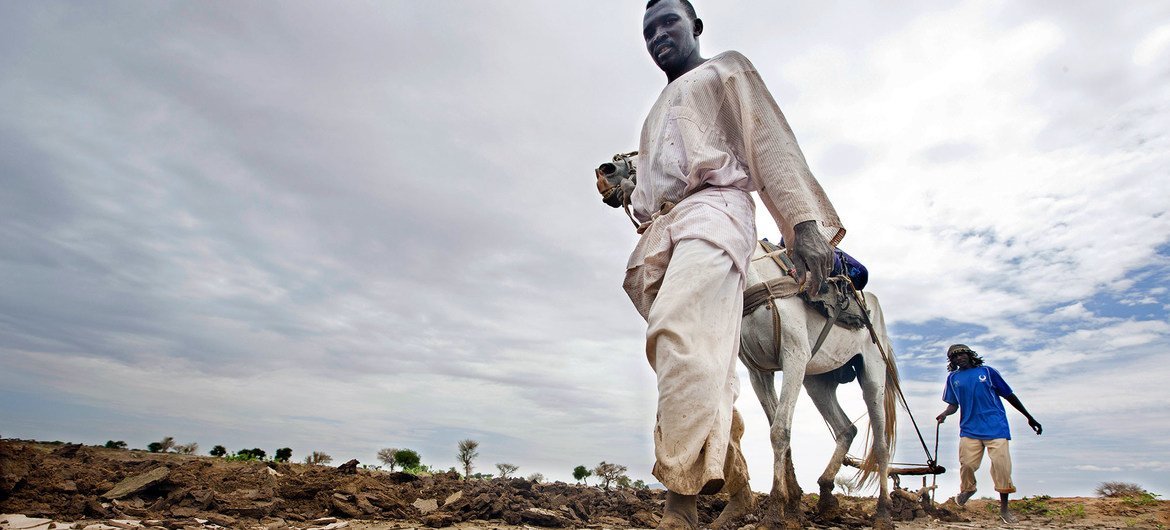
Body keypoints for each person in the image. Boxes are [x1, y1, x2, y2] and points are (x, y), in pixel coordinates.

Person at [624, 1, 845, 528]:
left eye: (668, 22)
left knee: (680, 334)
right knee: (700, 359)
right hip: (664, 229)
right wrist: (630, 192)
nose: (658, 35)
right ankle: (737, 482)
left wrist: (803, 223)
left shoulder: (726, 69)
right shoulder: (656, 112)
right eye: (648, 29)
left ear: (695, 26)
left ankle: (680, 504)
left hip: (714, 212)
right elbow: (651, 191)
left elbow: (770, 142)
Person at [936, 344, 1042, 524]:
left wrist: (1029, 417)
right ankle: (968, 489)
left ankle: (1004, 511)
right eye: (954, 357)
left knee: (1001, 467)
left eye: (961, 354)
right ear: (951, 361)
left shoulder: (987, 372)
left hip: (996, 427)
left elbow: (1009, 395)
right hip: (970, 428)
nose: (959, 358)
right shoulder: (953, 378)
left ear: (969, 355)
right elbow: (953, 405)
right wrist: (945, 414)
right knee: (967, 464)